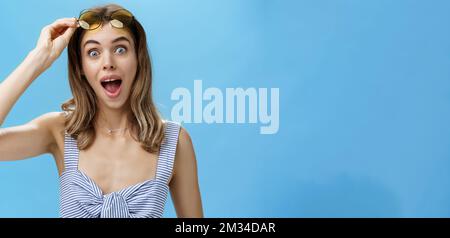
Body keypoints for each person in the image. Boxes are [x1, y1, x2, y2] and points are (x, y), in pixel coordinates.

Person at [0, 4, 203, 218]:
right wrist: (38, 59)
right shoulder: (59, 131)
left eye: (120, 49)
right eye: (93, 52)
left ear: (138, 59)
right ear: (81, 67)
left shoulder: (174, 142)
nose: (108, 63)